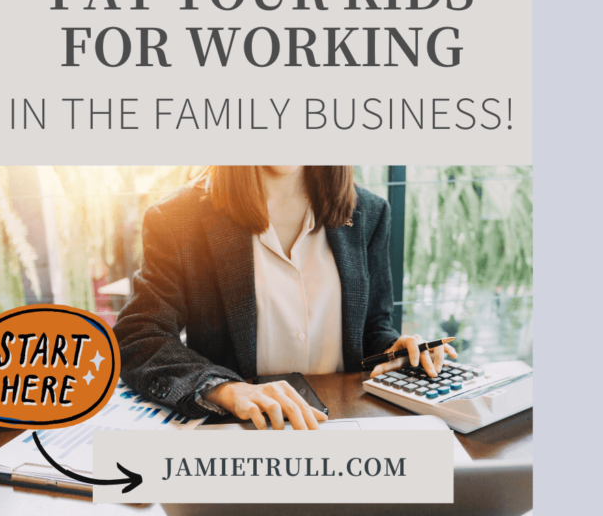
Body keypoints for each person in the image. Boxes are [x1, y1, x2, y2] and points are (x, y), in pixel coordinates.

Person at [114, 166, 456, 429]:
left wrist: (394, 349)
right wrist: (223, 389)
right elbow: (140, 335)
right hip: (243, 433)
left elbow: (371, 328)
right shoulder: (178, 219)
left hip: (347, 429)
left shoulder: (369, 212)